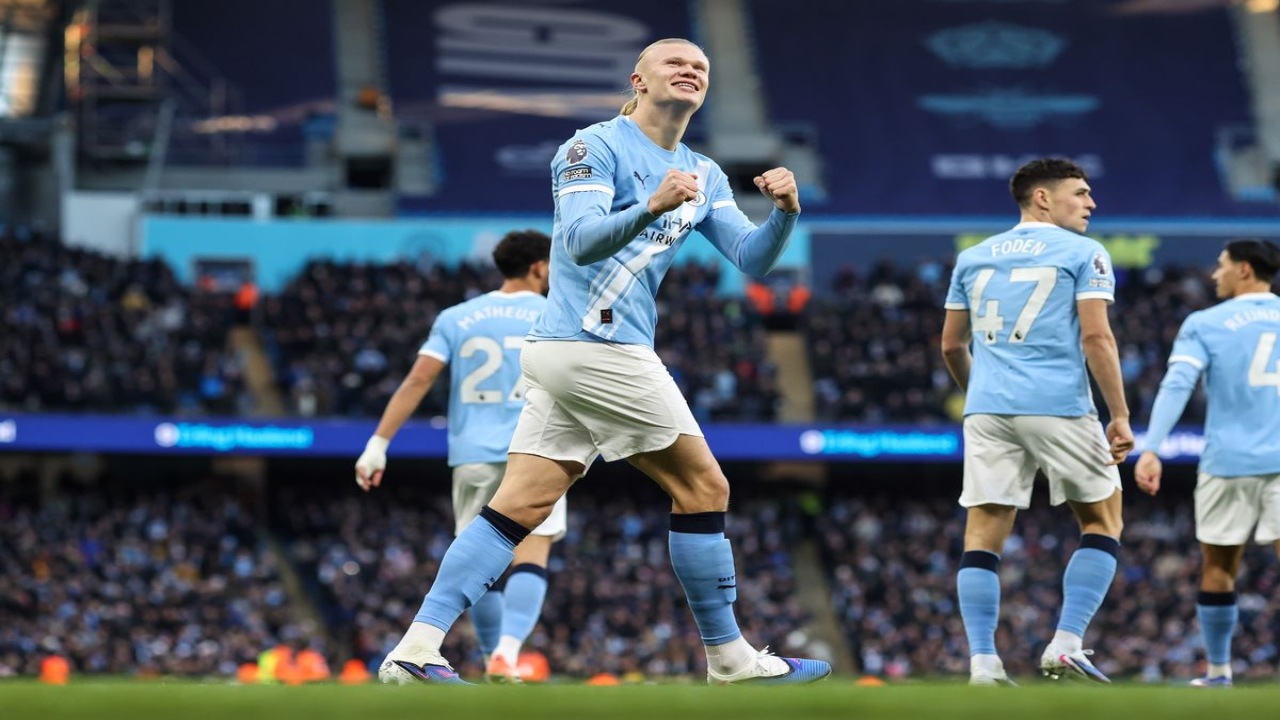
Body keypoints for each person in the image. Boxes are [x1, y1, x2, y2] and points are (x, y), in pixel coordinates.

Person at [377, 37, 830, 685]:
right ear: (638, 80)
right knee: (705, 489)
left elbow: (752, 259)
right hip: (598, 346)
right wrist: (650, 206)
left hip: (575, 353)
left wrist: (784, 213)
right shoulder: (592, 147)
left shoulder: (704, 173)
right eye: (674, 62)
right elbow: (579, 242)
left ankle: (414, 650)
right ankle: (731, 659)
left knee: (520, 505)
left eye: (700, 66)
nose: (690, 70)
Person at [940, 158, 1134, 686]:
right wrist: (1119, 414)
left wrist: (980, 394)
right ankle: (1066, 644)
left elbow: (951, 345)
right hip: (1059, 404)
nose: (1091, 203)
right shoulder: (1084, 252)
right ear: (1043, 198)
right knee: (1102, 521)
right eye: (1081, 193)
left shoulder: (973, 257)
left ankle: (983, 664)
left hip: (987, 410)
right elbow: (1097, 337)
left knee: (982, 536)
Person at [355, 229, 566, 683]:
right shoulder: (556, 311)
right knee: (533, 552)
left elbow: (417, 380)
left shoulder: (456, 317)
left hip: (472, 455)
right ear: (539, 267)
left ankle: (489, 657)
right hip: (536, 447)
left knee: (479, 558)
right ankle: (507, 653)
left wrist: (378, 444)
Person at [1134, 240, 1280, 688]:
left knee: (1219, 568)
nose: (1215, 275)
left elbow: (1178, 383)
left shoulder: (1205, 323)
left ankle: (1218, 673)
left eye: (1221, 266)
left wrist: (1152, 447)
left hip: (1226, 462)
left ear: (1244, 269)